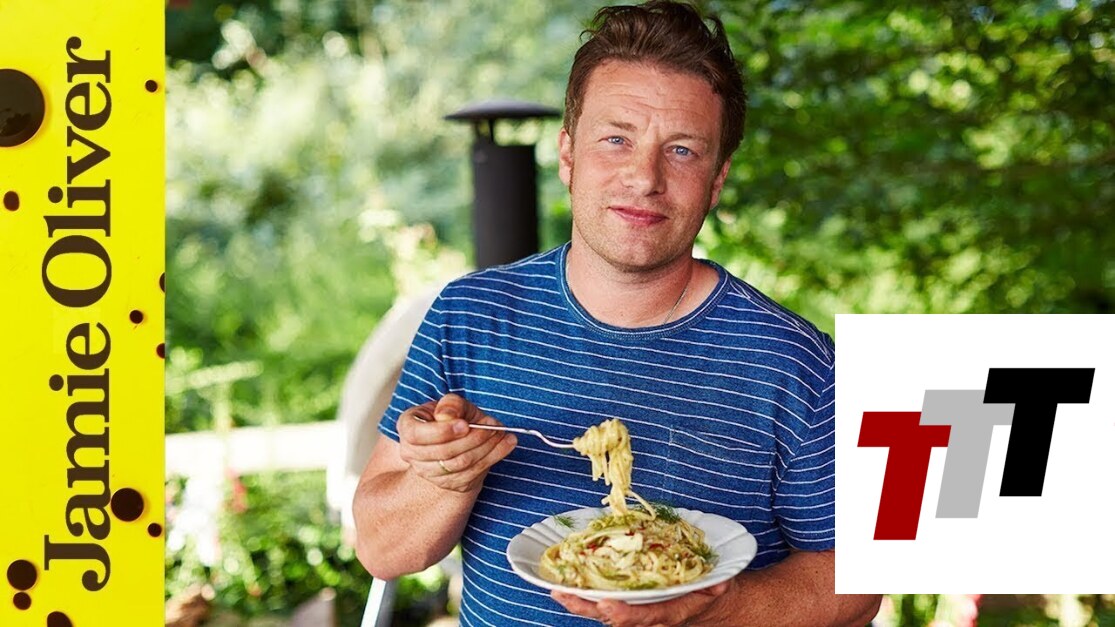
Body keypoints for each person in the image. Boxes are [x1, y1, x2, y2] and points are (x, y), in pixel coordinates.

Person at [353, 1, 882, 625]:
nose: (643, 177)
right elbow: (382, 550)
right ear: (568, 154)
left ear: (716, 180)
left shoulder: (795, 361)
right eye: (616, 140)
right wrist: (444, 477)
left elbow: (858, 584)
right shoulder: (470, 314)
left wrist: (710, 612)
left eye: (681, 150)